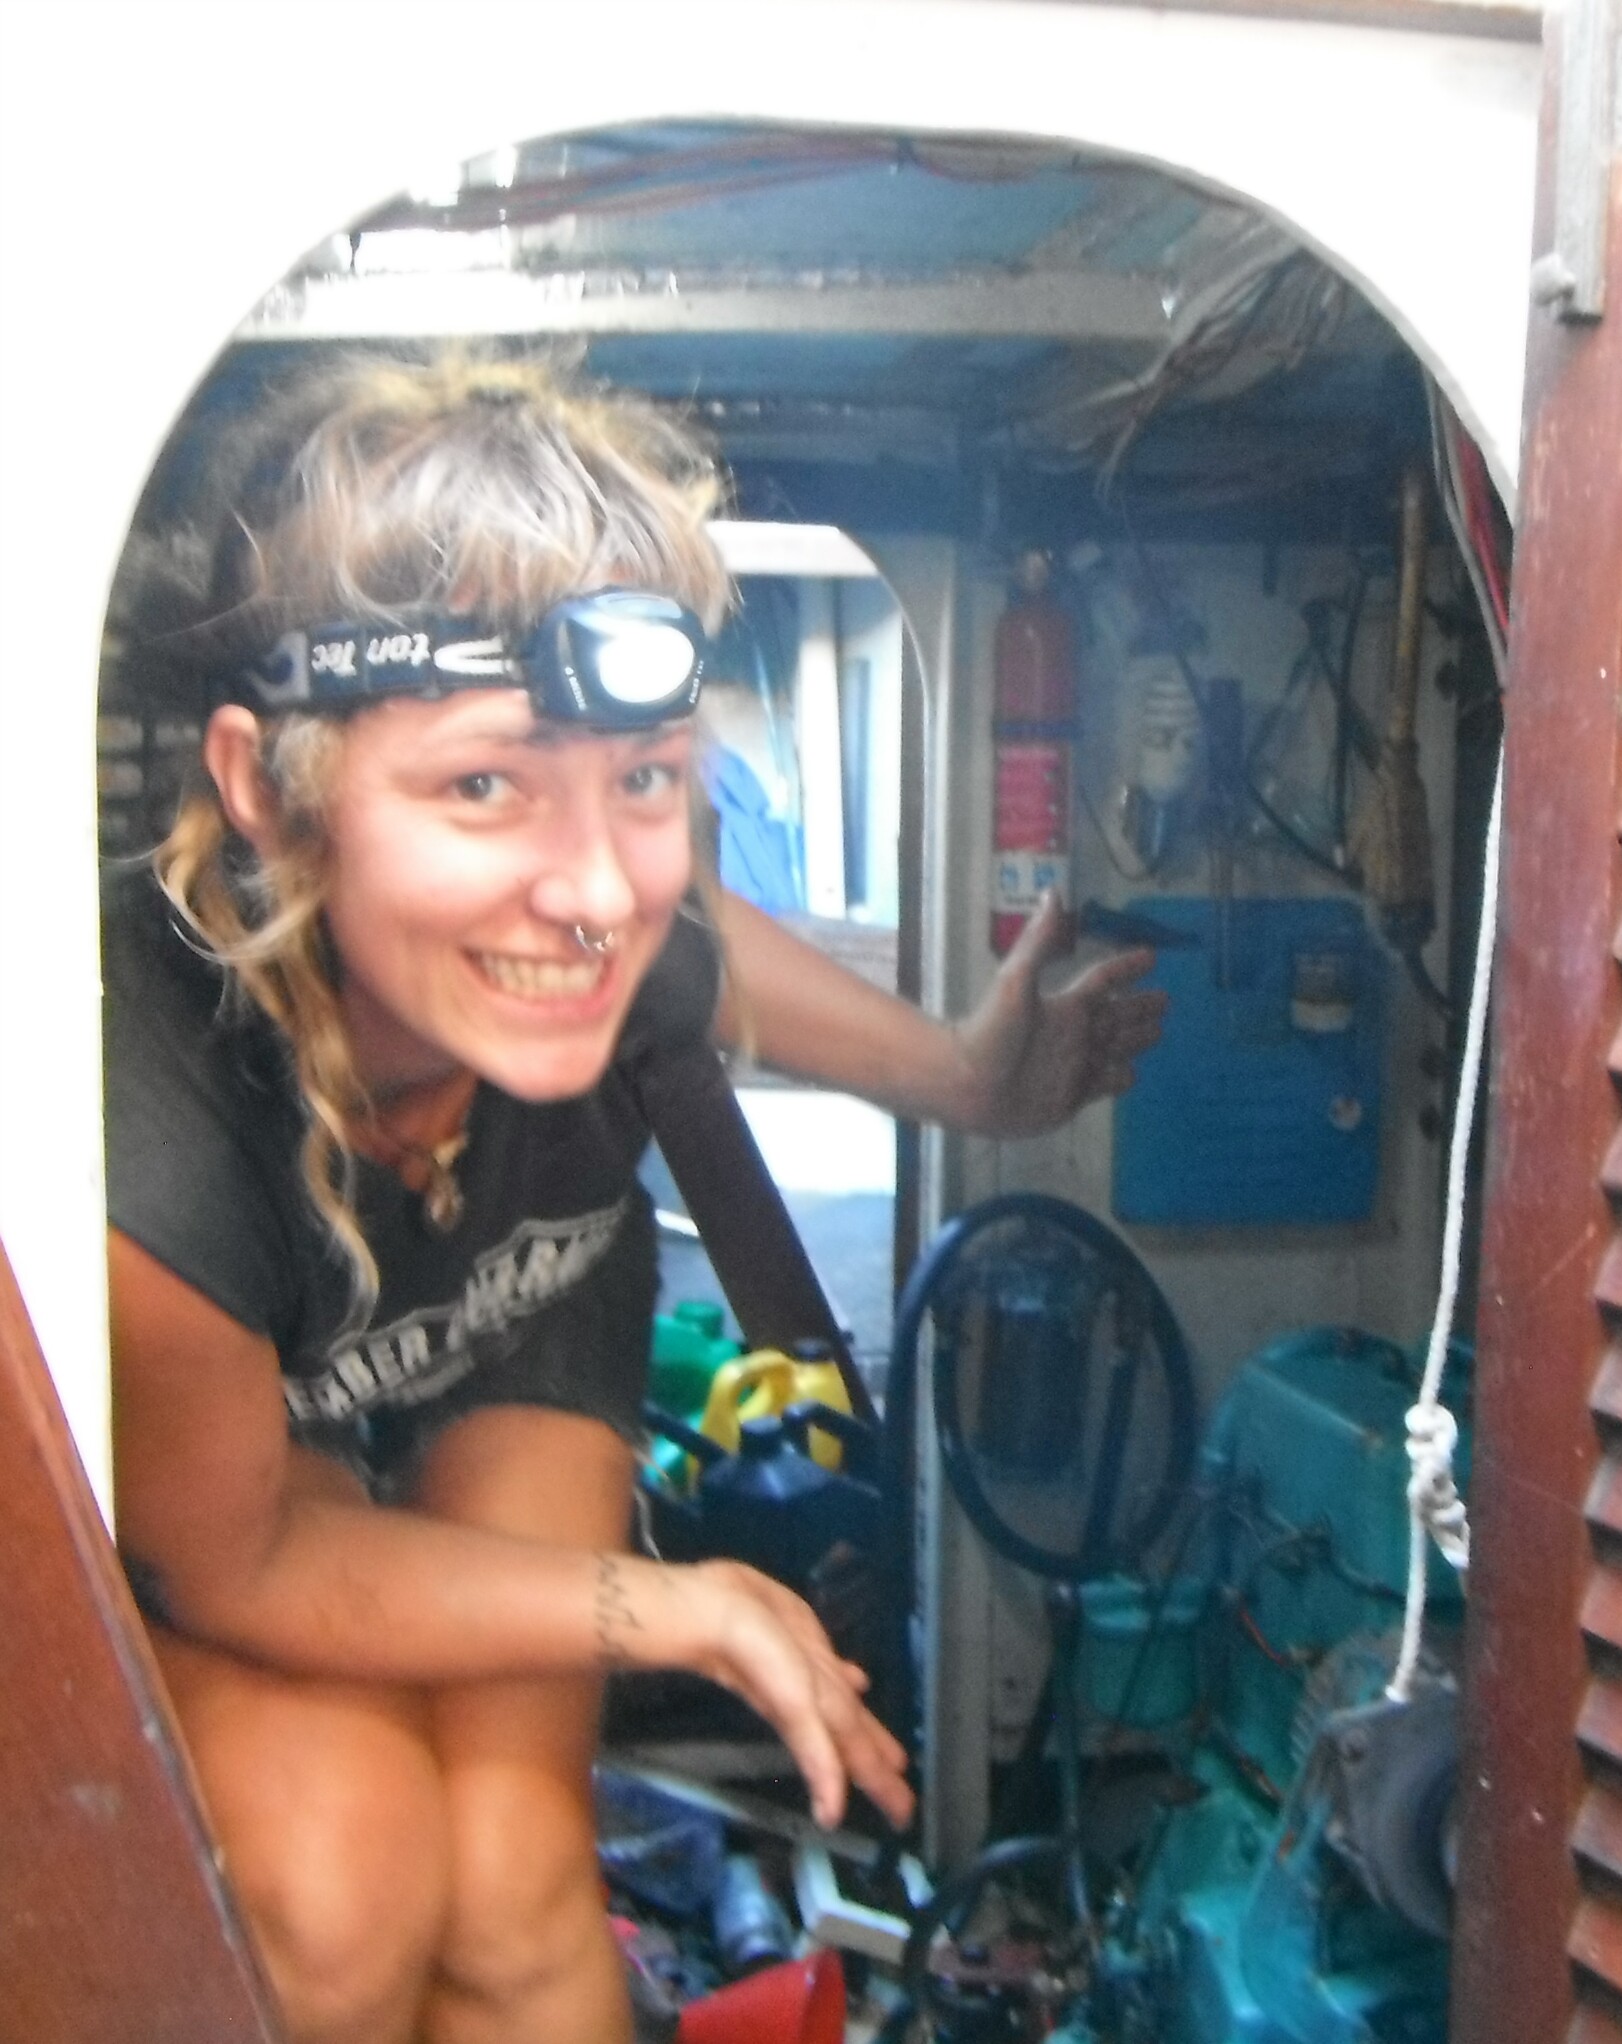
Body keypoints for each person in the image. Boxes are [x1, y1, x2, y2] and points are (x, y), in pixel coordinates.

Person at [103, 353, 1165, 2044]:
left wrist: (975, 1082)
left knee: (518, 1894)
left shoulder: (601, 933)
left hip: (513, 1320)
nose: (599, 891)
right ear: (264, 786)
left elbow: (703, 953)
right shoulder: (134, 1093)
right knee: (337, 1895)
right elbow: (238, 1561)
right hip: (259, 1443)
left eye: (650, 776)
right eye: (485, 785)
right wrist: (675, 1602)